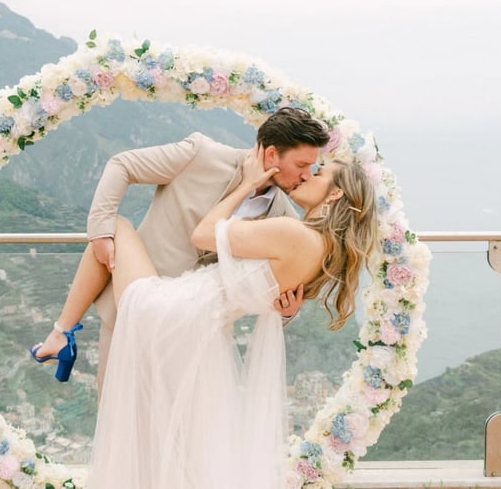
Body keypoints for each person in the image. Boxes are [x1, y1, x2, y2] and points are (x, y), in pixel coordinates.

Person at [71, 150, 378, 488]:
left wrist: (246, 185)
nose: (308, 175)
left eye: (318, 173)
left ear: (335, 194)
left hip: (169, 311)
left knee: (115, 225)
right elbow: (270, 294)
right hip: (204, 339)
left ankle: (62, 329)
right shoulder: (325, 255)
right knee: (179, 449)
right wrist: (285, 310)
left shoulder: (294, 233)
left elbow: (203, 235)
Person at [31, 107, 331, 386]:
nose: (306, 175)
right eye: (301, 165)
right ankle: (61, 334)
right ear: (272, 154)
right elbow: (123, 165)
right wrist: (100, 231)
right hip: (134, 307)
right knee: (114, 412)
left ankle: (61, 334)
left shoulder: (284, 218)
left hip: (196, 336)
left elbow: (271, 283)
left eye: (312, 167)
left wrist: (286, 312)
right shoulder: (202, 154)